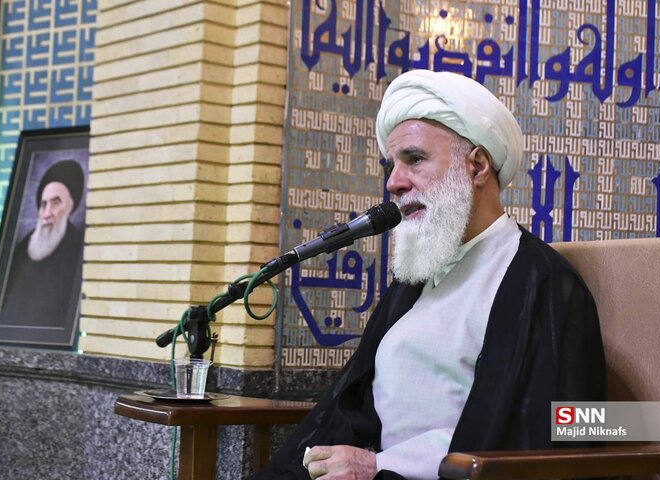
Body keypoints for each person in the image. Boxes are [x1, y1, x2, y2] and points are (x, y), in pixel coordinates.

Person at [251, 70, 605, 480]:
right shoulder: (413, 281)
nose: (394, 183)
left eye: (414, 159)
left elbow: (568, 430)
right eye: (392, 165)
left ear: (477, 167)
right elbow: (347, 408)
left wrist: (380, 465)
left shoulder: (544, 283)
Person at [0, 159, 85, 328]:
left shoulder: (79, 248)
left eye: (56, 203)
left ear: (71, 206)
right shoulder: (22, 249)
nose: (47, 213)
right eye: (43, 204)